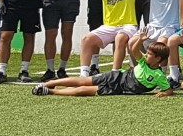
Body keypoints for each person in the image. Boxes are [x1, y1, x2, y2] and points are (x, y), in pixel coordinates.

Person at [68, 0, 139, 78]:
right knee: (86, 39)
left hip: (128, 25)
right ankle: (84, 75)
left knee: (120, 38)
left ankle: (114, 73)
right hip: (109, 25)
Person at [32, 40, 173, 97]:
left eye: (149, 54)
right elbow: (134, 49)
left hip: (118, 89)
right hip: (116, 76)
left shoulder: (159, 75)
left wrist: (164, 94)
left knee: (82, 91)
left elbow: (168, 89)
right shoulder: (143, 62)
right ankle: (49, 83)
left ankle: (51, 91)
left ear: (158, 59)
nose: (146, 55)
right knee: (83, 81)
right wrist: (140, 39)